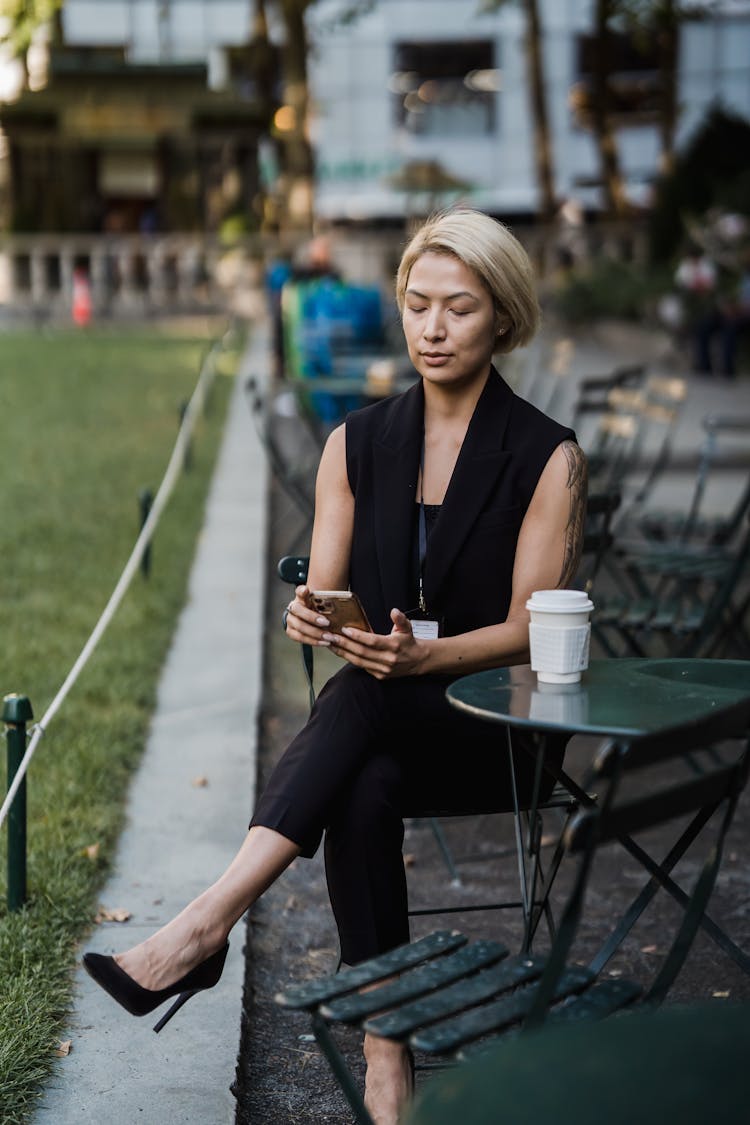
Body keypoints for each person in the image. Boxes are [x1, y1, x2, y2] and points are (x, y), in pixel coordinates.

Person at [83, 208, 588, 1124]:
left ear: (502, 319)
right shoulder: (353, 444)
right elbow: (326, 593)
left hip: (498, 725)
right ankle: (385, 1054)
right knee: (362, 776)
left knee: (365, 699)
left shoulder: (546, 455)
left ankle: (207, 922)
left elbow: (527, 628)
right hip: (387, 715)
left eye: (459, 309)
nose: (432, 328)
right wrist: (308, 612)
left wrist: (424, 654)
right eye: (417, 304)